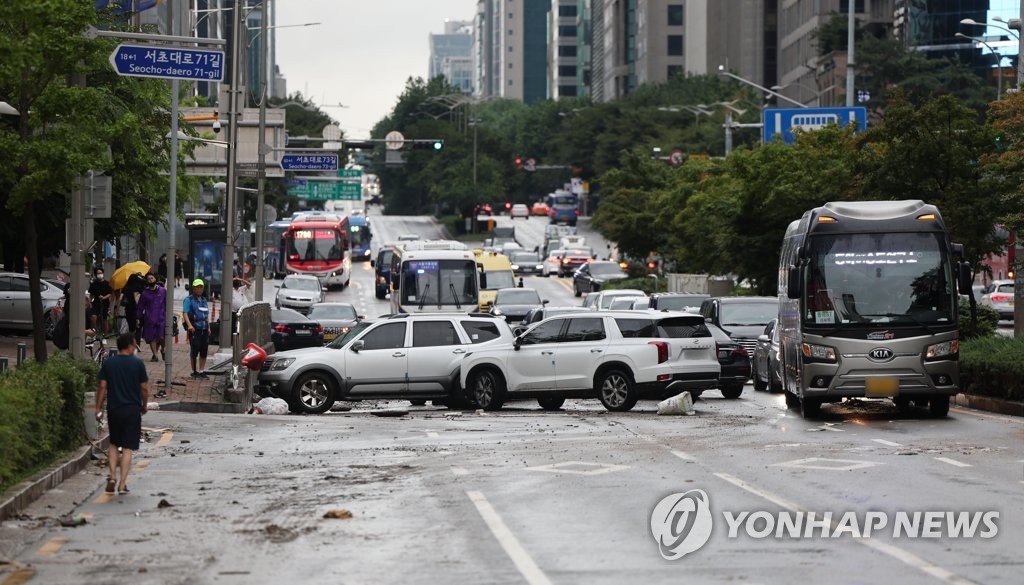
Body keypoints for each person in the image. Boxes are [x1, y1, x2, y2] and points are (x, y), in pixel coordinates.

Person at [95, 333, 148, 495]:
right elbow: (144, 388)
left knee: (113, 443)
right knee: (127, 447)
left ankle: (111, 476)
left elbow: (103, 387)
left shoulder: (109, 363)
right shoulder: (137, 364)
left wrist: (98, 407)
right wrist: (144, 404)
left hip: (114, 409)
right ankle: (122, 484)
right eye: (134, 345)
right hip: (132, 410)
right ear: (130, 345)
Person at [136, 272, 166, 365]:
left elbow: (167, 303)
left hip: (161, 317)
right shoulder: (145, 294)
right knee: (151, 338)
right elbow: (140, 307)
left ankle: (163, 349)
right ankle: (155, 355)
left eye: (152, 278)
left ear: (155, 279)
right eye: (148, 279)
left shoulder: (163, 291)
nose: (151, 280)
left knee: (162, 336)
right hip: (150, 319)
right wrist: (138, 318)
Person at [182, 278, 211, 379]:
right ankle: (194, 371)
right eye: (197, 287)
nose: (199, 289)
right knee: (194, 350)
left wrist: (209, 327)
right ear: (194, 288)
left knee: (204, 350)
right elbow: (185, 313)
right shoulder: (188, 300)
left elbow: (206, 315)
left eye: (201, 287)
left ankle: (202, 370)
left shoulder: (203, 300)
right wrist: (189, 325)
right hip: (195, 329)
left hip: (204, 328)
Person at [88, 266, 113, 336]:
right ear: (95, 275)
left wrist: (104, 297)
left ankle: (105, 335)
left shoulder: (107, 283)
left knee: (105, 320)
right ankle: (94, 334)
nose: (100, 274)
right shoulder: (93, 284)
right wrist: (90, 302)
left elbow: (110, 294)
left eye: (101, 273)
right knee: (93, 318)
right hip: (96, 303)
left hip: (105, 303)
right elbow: (91, 295)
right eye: (98, 273)